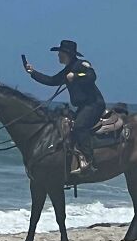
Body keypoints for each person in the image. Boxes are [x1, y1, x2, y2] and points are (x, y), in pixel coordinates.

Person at [24, 40, 105, 174]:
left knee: (79, 126)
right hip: (83, 106)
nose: (58, 56)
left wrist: (76, 76)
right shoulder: (67, 70)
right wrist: (33, 72)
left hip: (94, 105)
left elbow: (92, 75)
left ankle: (89, 163)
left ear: (67, 54)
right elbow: (52, 81)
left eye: (60, 53)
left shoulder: (81, 65)